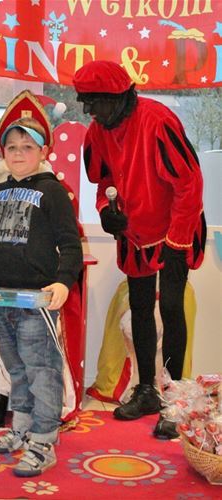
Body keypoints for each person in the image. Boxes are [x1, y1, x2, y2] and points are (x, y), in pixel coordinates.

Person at [73, 60, 206, 439]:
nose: (89, 111)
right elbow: (104, 181)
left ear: (118, 96)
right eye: (85, 102)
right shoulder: (98, 131)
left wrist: (178, 240)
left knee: (172, 308)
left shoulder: (158, 121)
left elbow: (189, 184)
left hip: (175, 226)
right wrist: (105, 211)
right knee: (141, 308)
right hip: (135, 233)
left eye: (94, 102)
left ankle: (176, 400)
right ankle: (147, 389)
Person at [0, 90, 83, 477]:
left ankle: (44, 440)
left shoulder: (52, 191)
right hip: (0, 299)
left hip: (35, 300)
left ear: (43, 151)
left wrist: (63, 281)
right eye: (11, 147)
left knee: (42, 370)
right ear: (2, 152)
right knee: (17, 369)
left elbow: (70, 243)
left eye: (27, 147)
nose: (18, 153)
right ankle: (23, 428)